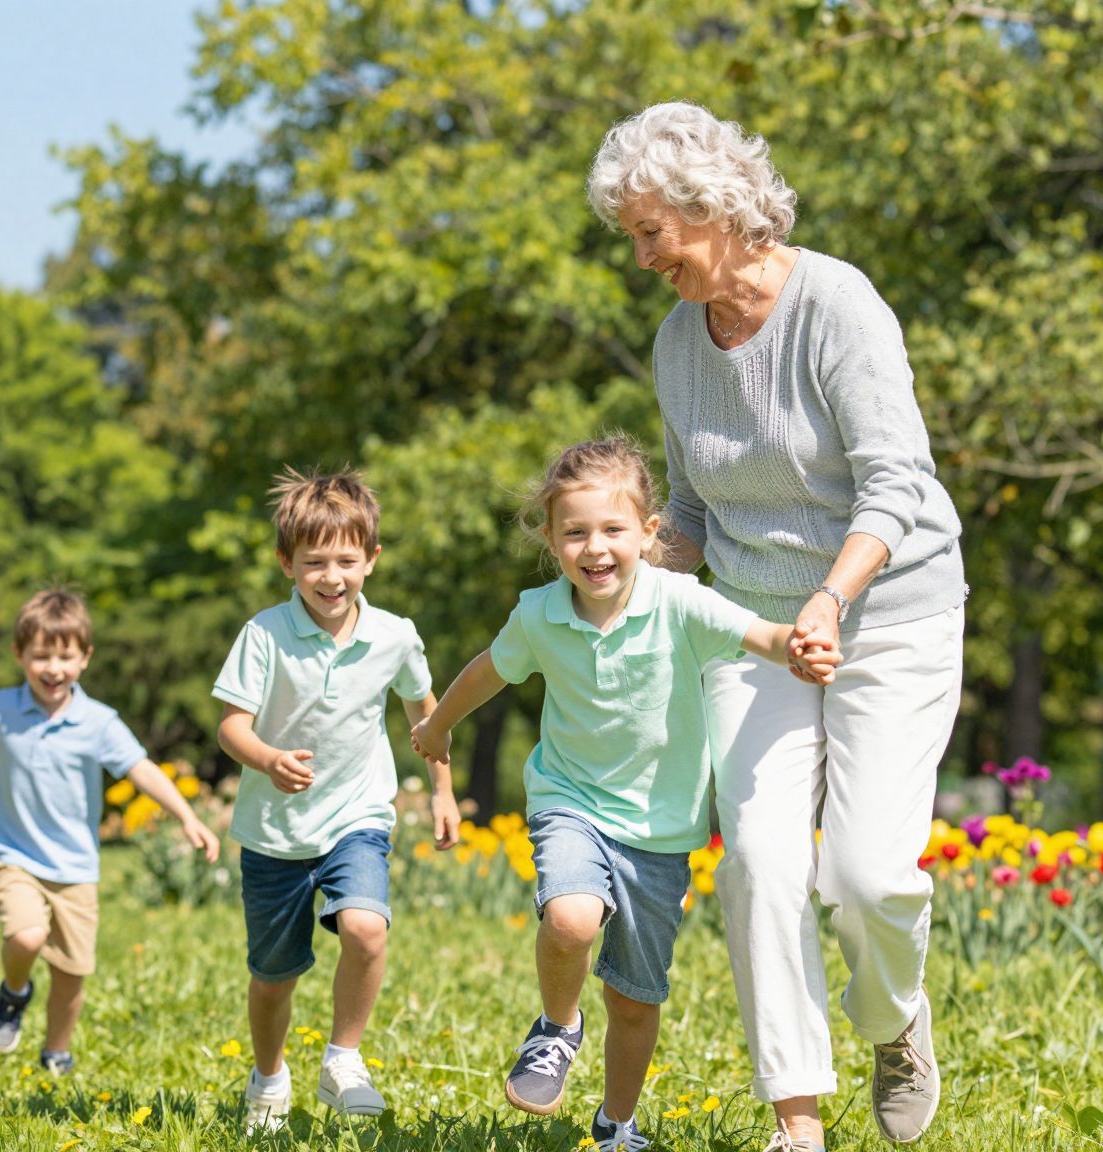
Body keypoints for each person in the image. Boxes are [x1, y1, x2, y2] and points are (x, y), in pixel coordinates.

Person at [589, 103, 969, 1150]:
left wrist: (830, 596)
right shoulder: (678, 341)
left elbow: (896, 483)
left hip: (888, 613)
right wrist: (623, 582)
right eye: (632, 237)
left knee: (866, 877)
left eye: (651, 232)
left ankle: (893, 1022)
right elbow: (692, 508)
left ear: (714, 206)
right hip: (754, 627)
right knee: (758, 863)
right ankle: (796, 1123)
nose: (641, 258)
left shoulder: (837, 306)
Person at [410, 438, 839, 1151]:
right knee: (571, 918)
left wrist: (794, 645)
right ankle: (557, 1027)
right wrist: (438, 724)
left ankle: (617, 1124)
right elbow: (490, 668)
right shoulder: (541, 615)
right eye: (575, 532)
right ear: (551, 539)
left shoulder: (680, 601)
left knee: (635, 1000)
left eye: (613, 529)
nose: (595, 548)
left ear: (649, 532)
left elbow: (756, 633)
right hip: (570, 801)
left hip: (659, 831)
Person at [212, 469, 460, 1134]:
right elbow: (231, 727)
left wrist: (442, 791)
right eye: (314, 563)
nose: (331, 577)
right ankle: (268, 1078)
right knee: (274, 977)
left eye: (346, 561)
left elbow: (426, 713)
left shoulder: (394, 635)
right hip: (274, 832)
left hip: (358, 816)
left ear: (371, 559)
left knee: (366, 928)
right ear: (286, 563)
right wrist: (267, 758)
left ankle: (343, 1058)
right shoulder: (264, 634)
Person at [0, 588, 217, 1075]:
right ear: (19, 655)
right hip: (14, 855)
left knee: (71, 973)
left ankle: (55, 1052)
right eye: (41, 656)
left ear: (85, 658)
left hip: (76, 866)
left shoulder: (98, 722)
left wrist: (187, 816)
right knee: (27, 936)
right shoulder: (2, 708)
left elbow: (140, 769)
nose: (53, 668)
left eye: (65, 657)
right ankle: (14, 991)